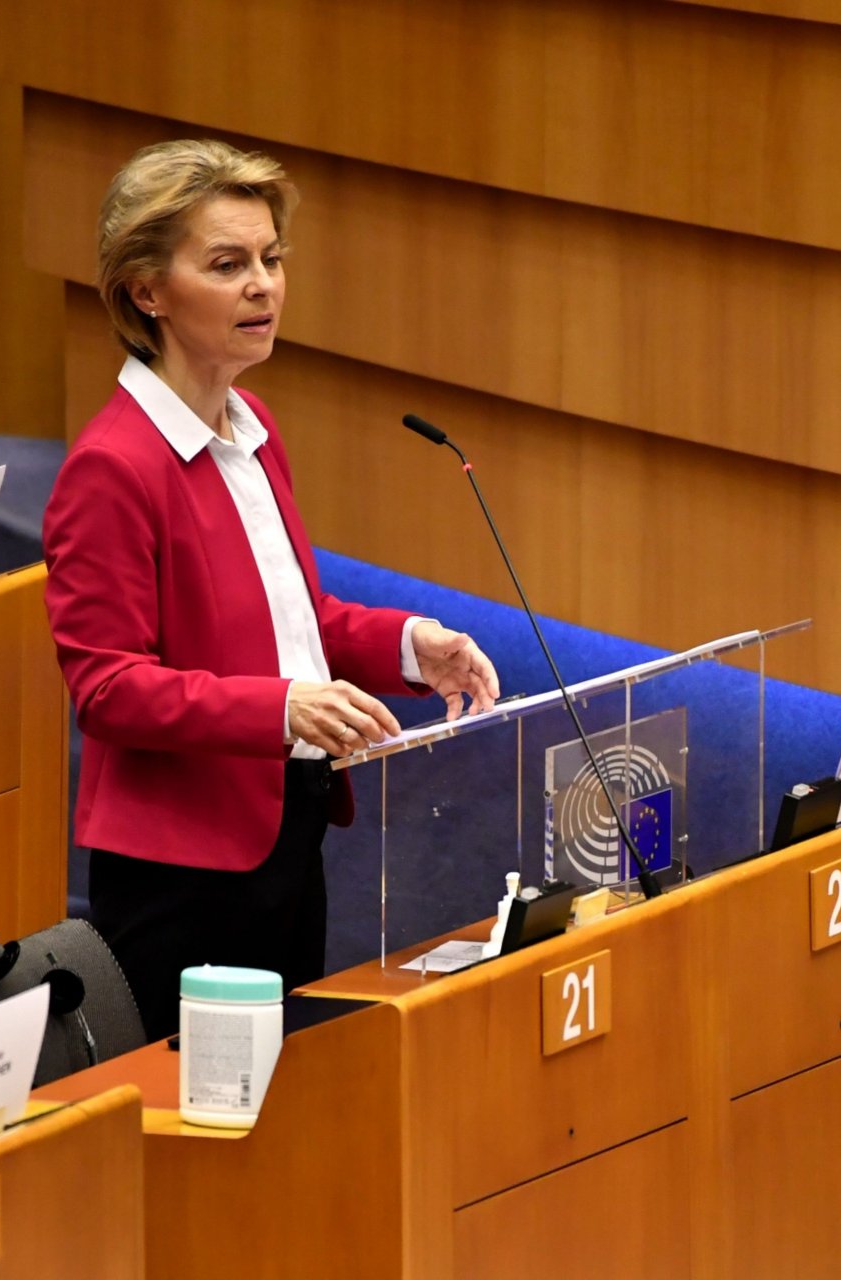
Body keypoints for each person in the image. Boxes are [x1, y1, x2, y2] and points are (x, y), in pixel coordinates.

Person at [42, 139, 499, 1039]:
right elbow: (107, 687)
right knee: (199, 1105)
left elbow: (293, 622)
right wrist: (282, 708)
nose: (263, 285)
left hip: (288, 829)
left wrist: (410, 647)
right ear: (146, 290)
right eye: (227, 265)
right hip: (182, 870)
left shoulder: (253, 427)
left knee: (287, 1088)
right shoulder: (113, 466)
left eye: (271, 258)